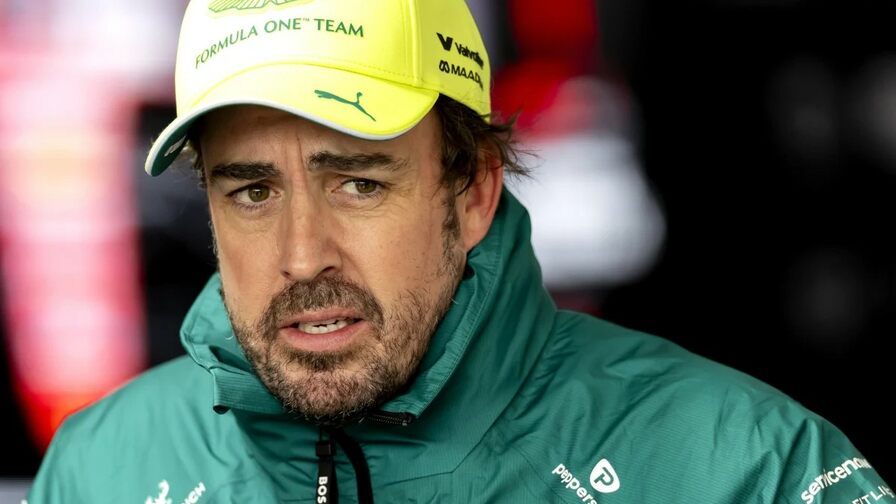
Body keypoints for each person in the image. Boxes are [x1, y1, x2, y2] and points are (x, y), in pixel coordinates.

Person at [28, 0, 891, 503]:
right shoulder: (103, 468)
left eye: (357, 183)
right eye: (252, 191)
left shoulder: (743, 468)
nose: (301, 255)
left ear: (473, 190)